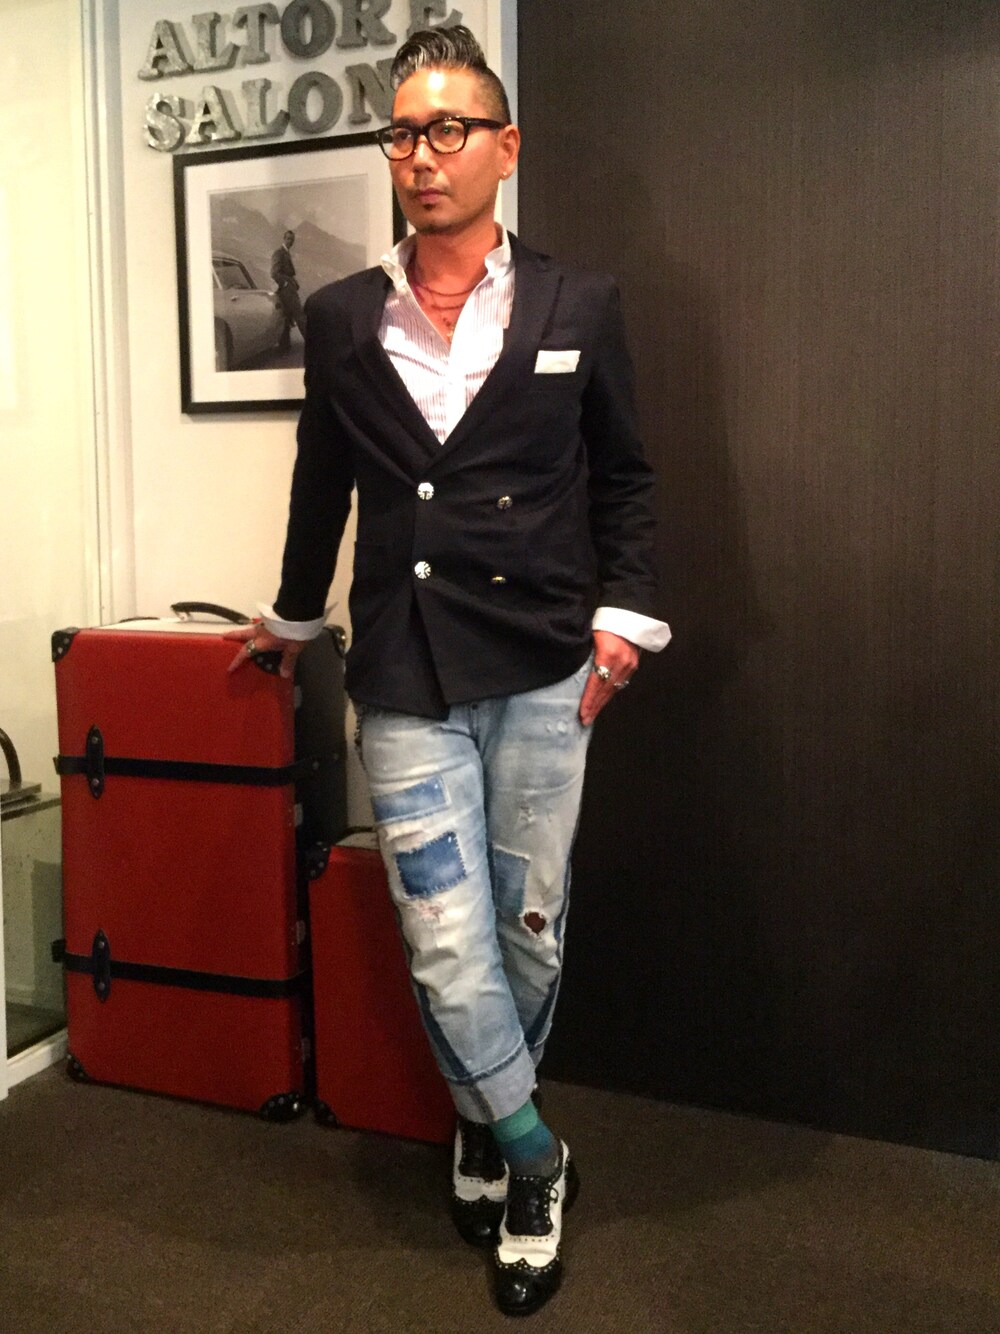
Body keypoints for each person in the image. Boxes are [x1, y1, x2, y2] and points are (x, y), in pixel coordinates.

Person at [227, 25, 670, 1319]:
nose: (421, 156)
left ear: (503, 146)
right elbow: (321, 486)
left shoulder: (580, 305)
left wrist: (623, 621)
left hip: (543, 665)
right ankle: (533, 1153)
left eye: (449, 130)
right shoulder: (341, 316)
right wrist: (292, 617)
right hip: (407, 670)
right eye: (403, 134)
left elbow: (626, 477)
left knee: (527, 927)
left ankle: (480, 1118)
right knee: (442, 936)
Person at [270, 228, 306, 352]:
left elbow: (287, 273)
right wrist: (285, 283)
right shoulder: (279, 253)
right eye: (289, 239)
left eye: (292, 240)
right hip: (286, 291)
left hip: (289, 289)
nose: (290, 242)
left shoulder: (286, 253)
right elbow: (274, 273)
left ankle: (284, 346)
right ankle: (312, 343)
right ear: (284, 239)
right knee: (299, 315)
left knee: (287, 317)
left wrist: (294, 282)